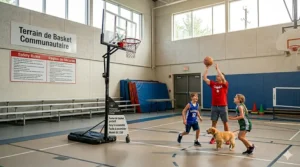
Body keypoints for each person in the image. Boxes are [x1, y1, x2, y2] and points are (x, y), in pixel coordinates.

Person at [203, 63, 230, 145]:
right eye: (217, 75)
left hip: (223, 106)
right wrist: (207, 68)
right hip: (214, 106)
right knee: (214, 123)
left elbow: (223, 77)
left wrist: (218, 69)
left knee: (225, 122)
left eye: (218, 76)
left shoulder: (225, 84)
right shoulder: (213, 84)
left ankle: (227, 138)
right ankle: (214, 138)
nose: (217, 76)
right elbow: (204, 78)